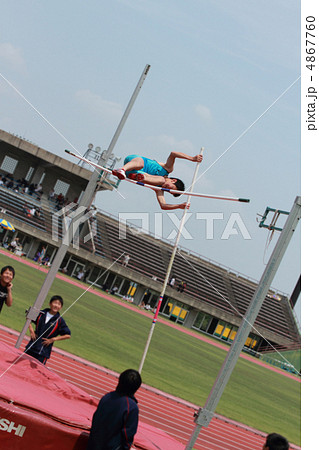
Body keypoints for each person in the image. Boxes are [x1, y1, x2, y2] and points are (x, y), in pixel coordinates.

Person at [112, 151, 203, 210]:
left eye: (169, 192)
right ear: (173, 180)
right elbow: (173, 154)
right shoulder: (168, 168)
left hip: (130, 174)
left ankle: (137, 176)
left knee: (158, 182)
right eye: (169, 188)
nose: (166, 189)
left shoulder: (159, 189)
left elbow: (163, 206)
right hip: (134, 161)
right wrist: (192, 158)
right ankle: (124, 170)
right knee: (141, 165)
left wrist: (179, 206)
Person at [87, 369, 142, 450]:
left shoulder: (107, 397)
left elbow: (96, 420)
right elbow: (127, 436)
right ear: (136, 388)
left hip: (93, 445)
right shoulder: (131, 407)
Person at [25, 295, 71, 365]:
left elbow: (67, 335)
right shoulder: (41, 313)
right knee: (21, 366)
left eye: (59, 304)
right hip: (32, 346)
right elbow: (28, 317)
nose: (56, 305)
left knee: (36, 372)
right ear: (50, 303)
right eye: (55, 303)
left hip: (43, 351)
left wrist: (53, 339)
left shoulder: (60, 321)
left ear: (61, 307)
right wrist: (31, 331)